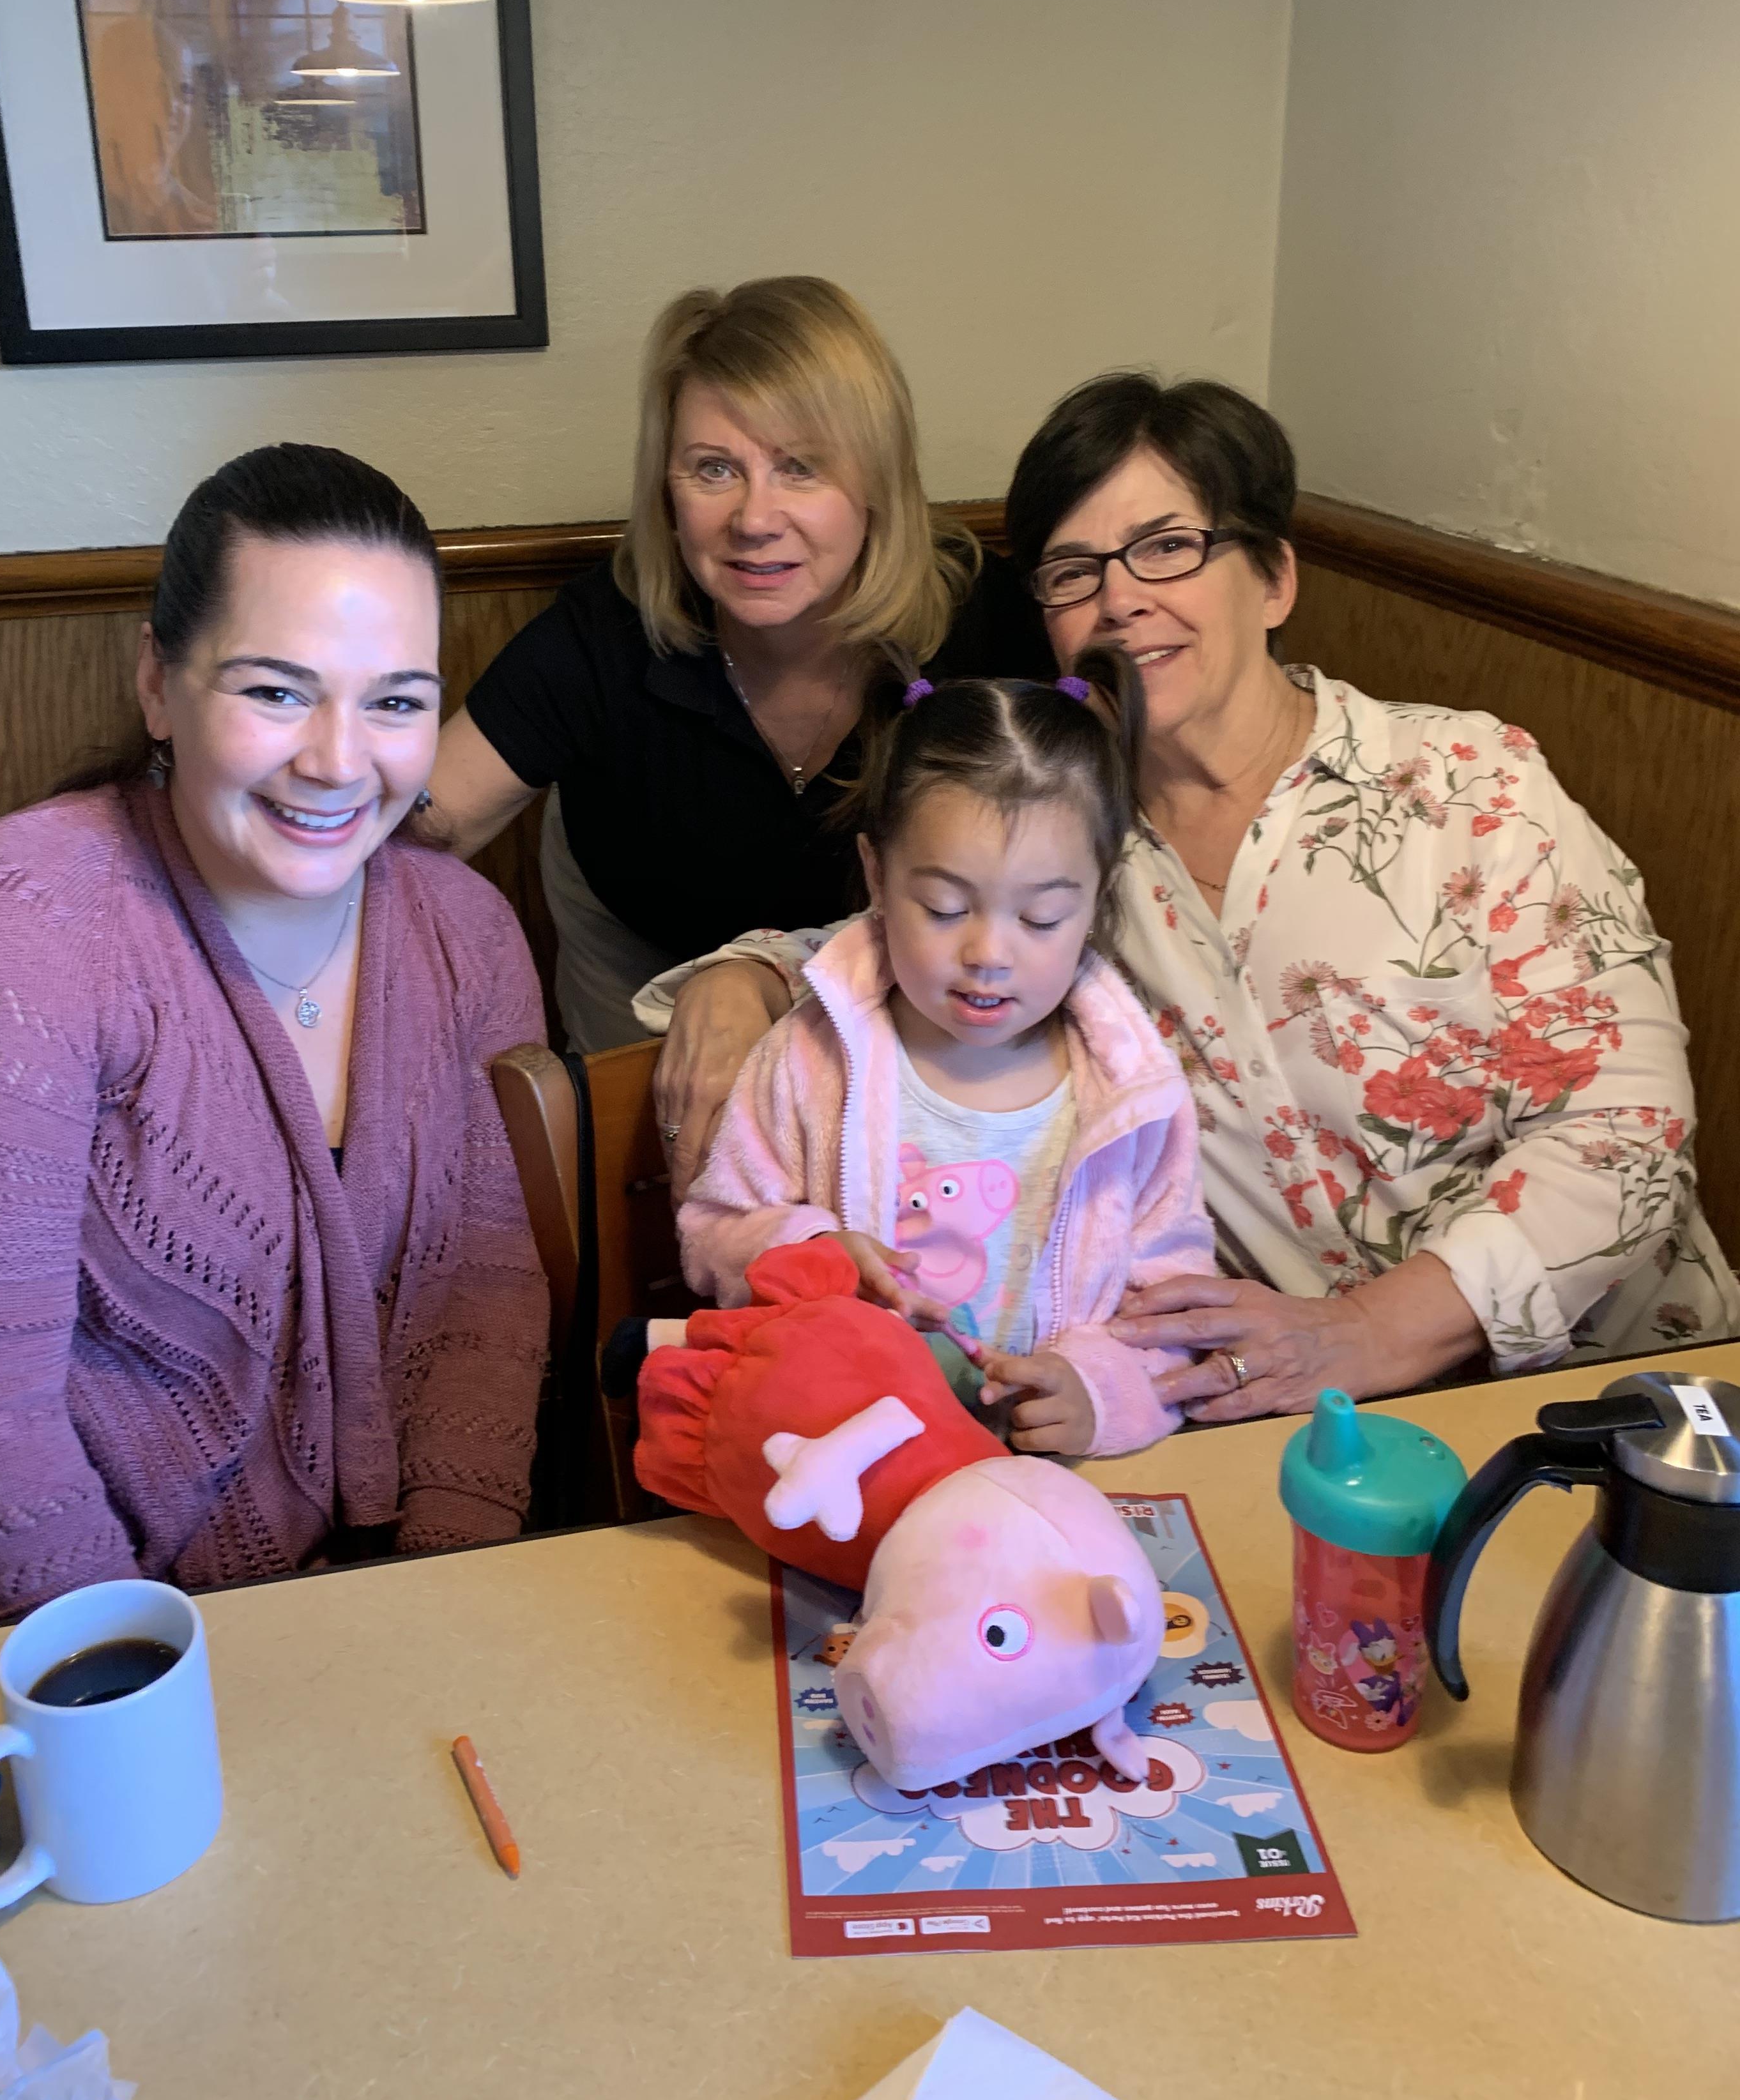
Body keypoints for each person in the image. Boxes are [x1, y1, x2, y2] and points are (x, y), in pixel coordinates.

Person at [640, 375, 1736, 1422]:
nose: (1120, 598)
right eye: (1073, 572)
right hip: (1274, 1428)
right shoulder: (1070, 861)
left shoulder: (1473, 788)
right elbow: (914, 929)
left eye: (1167, 546)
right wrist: (747, 973)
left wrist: (1369, 1328)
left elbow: (1627, 1129)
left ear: (1272, 578)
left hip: (1620, 1390)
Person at [0, 445, 549, 1651]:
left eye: (396, 700)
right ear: (160, 684)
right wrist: (137, 1697)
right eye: (274, 690)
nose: (337, 758)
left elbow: (487, 1301)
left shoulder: (464, 933)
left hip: (332, 1613)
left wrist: (442, 1612)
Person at [416, 276, 1049, 1053]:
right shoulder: (601, 633)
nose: (754, 520)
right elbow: (421, 828)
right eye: (714, 468)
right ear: (666, 490)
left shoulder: (983, 624)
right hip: (645, 953)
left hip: (898, 971)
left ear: (876, 484)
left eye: (801, 468)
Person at [675, 655, 1213, 1459]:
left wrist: (1099, 1392)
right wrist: (810, 1255)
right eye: (945, 907)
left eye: (1041, 919)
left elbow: (1173, 1309)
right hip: (845, 1465)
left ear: (1097, 901)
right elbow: (714, 1229)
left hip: (1048, 1485)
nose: (988, 953)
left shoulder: (1133, 1092)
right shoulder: (812, 1056)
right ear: (877, 878)